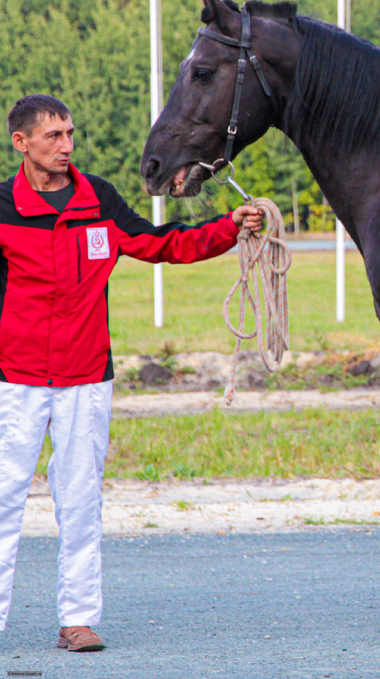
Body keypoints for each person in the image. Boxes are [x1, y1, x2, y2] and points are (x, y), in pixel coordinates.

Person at [0, 94, 262, 652]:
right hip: (13, 381)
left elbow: (162, 244)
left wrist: (229, 228)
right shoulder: (0, 206)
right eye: (54, 137)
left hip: (87, 377)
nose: (68, 146)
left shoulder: (99, 200)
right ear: (21, 143)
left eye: (71, 134)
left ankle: (77, 620)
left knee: (80, 501)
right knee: (2, 503)